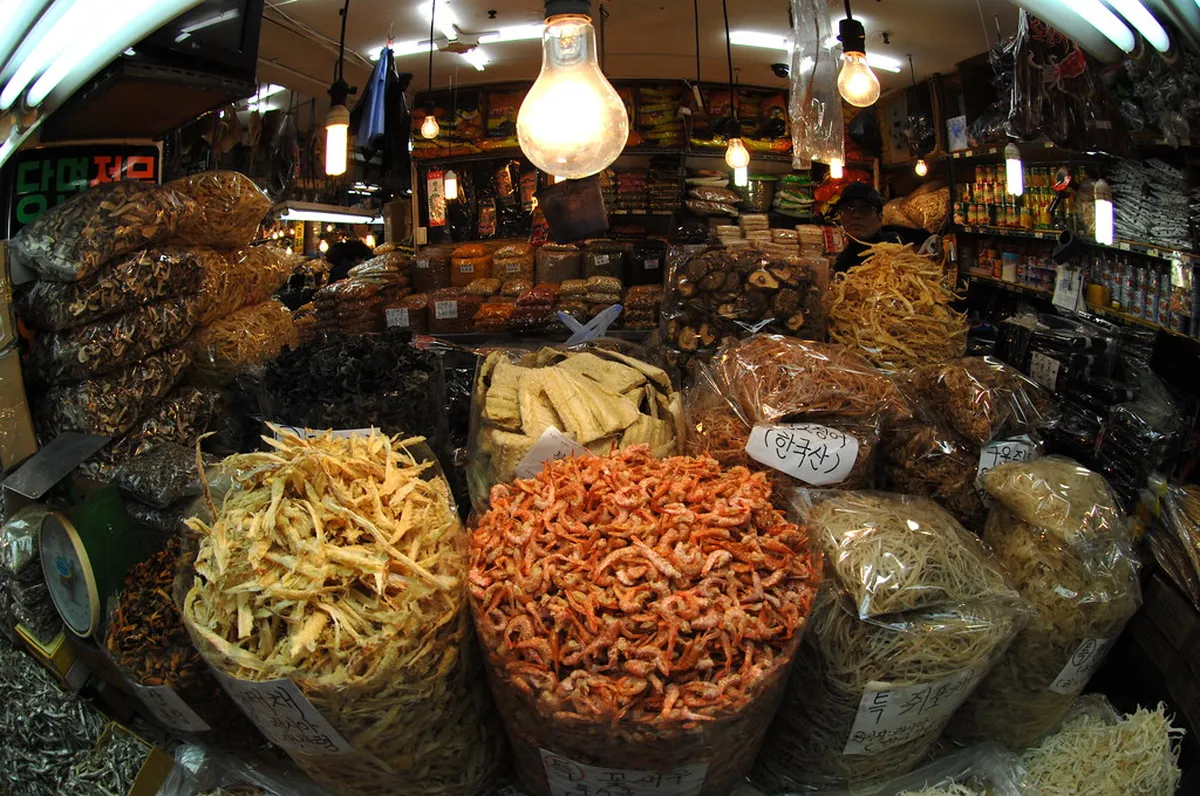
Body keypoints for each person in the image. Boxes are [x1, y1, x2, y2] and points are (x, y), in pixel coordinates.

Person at [831, 183, 930, 274]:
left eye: (865, 209)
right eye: (849, 208)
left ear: (880, 217)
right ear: (841, 217)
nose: (856, 215)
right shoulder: (841, 263)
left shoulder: (895, 248)